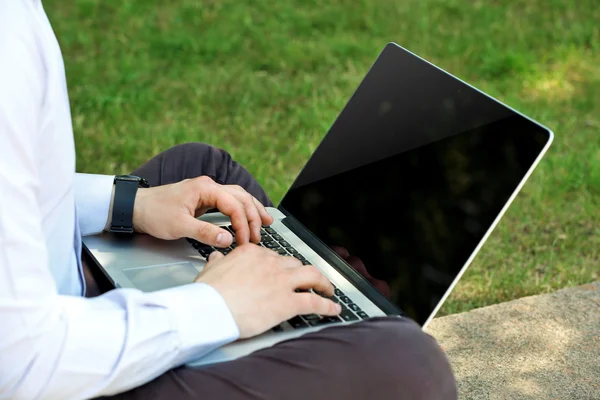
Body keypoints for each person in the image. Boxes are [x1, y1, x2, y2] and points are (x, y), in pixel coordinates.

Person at [0, 1, 457, 399]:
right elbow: (22, 362)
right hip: (55, 372)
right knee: (411, 362)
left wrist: (129, 205)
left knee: (204, 172)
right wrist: (214, 305)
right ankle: (283, 336)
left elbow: (24, 188)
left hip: (51, 300)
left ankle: (290, 324)